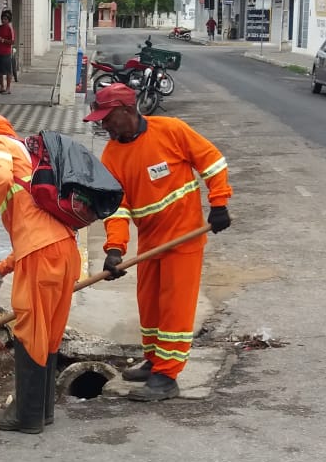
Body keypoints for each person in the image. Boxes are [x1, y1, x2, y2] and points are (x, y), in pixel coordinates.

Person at [82, 84, 233, 401]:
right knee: (149, 304)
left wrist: (218, 204)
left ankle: (167, 377)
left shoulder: (172, 131)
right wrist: (114, 249)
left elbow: (212, 161)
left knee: (174, 308)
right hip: (150, 241)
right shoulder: (111, 155)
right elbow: (118, 208)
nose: (103, 125)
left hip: (183, 237)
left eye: (107, 118)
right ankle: (154, 360)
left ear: (126, 111)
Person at [0, 113, 80, 433]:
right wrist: (2, 270)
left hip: (41, 254)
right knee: (50, 332)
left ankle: (25, 416)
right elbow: (40, 231)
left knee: (31, 332)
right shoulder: (29, 156)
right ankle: (42, 411)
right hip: (64, 250)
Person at [0, 10, 16, 94]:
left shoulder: (10, 28)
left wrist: (3, 40)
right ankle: (2, 87)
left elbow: (12, 42)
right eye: (2, 19)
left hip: (6, 52)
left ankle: (8, 88)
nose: (3, 20)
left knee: (8, 71)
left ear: (9, 20)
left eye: (5, 19)